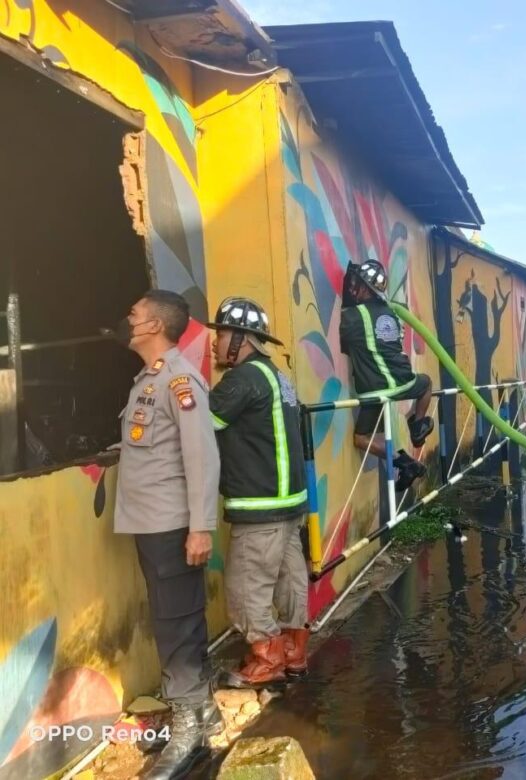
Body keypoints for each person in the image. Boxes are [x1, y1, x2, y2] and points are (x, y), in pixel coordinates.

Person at [111, 290, 222, 780]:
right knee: (178, 618)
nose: (127, 320)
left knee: (174, 624)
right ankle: (204, 712)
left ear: (153, 325)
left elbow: (203, 456)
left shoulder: (179, 382)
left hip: (171, 524)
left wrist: (200, 526)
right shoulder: (149, 381)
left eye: (133, 314)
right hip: (152, 521)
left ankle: (186, 730)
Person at [206, 298, 310, 688]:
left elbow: (200, 423)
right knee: (289, 579)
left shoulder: (242, 380)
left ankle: (267, 659)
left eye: (221, 334)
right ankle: (294, 651)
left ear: (242, 339)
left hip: (260, 504)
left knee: (246, 586)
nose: (216, 343)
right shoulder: (277, 376)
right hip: (288, 503)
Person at [340, 260, 432, 489]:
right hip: (403, 382)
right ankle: (417, 428)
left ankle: (404, 461)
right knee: (426, 384)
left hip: (374, 389)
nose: (353, 289)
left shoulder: (352, 315)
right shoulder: (392, 313)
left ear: (364, 288)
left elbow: (346, 345)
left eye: (356, 284)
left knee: (362, 439)